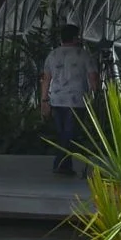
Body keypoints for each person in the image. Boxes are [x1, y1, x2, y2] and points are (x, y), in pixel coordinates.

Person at [37, 24, 97, 175]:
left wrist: (44, 100)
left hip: (56, 99)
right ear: (76, 37)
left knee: (62, 132)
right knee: (70, 133)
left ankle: (64, 165)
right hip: (77, 101)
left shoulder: (53, 55)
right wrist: (94, 93)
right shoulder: (83, 55)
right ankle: (60, 163)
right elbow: (93, 77)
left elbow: (46, 79)